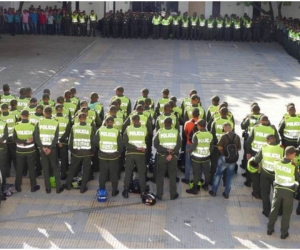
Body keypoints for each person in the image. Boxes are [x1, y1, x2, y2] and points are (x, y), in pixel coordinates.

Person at [267, 146, 300, 239]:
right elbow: (298, 178)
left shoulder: (276, 162)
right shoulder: (293, 166)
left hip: (277, 190)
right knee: (286, 212)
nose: (295, 155)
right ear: (290, 154)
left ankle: (269, 229)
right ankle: (283, 233)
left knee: (274, 209)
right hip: (288, 192)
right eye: (294, 154)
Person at [246, 115, 280, 199]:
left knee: (255, 173)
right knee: (263, 174)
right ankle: (263, 192)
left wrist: (247, 152)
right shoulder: (272, 129)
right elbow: (278, 141)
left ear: (260, 121)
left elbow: (248, 141)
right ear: (268, 121)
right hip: (267, 153)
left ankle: (256, 192)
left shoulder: (255, 128)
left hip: (255, 153)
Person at [251, 134, 284, 217]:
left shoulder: (264, 148)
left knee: (265, 193)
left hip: (265, 173)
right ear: (275, 140)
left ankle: (266, 211)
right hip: (277, 175)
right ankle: (279, 211)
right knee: (278, 193)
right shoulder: (282, 148)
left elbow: (256, 159)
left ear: (267, 140)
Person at [34, 107, 64, 194]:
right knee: (55, 167)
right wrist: (50, 148)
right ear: (51, 112)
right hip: (52, 149)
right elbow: (56, 137)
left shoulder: (39, 122)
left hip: (42, 148)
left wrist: (43, 147)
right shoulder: (55, 122)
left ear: (43, 112)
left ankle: (48, 188)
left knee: (45, 168)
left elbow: (36, 137)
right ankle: (58, 188)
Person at [64, 112, 95, 193]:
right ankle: (83, 187)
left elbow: (70, 142)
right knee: (86, 170)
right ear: (86, 119)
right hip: (87, 153)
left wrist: (72, 151)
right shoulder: (90, 128)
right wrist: (92, 151)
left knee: (72, 169)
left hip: (76, 152)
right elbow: (93, 141)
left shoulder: (74, 127)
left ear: (78, 119)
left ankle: (68, 185)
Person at [209, 122, 241, 198]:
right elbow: (239, 148)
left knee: (218, 174)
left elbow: (219, 147)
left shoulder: (224, 136)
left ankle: (214, 191)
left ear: (225, 128)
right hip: (233, 159)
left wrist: (223, 151)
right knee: (229, 176)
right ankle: (226, 193)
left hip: (224, 158)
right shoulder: (237, 137)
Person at [94, 116, 123, 197]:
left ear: (105, 122)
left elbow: (95, 142)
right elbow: (120, 145)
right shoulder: (116, 131)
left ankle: (102, 189)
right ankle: (114, 191)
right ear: (113, 123)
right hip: (113, 156)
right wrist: (119, 153)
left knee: (103, 173)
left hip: (102, 155)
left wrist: (100, 148)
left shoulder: (100, 130)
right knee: (114, 173)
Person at [154, 117, 181, 200]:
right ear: (172, 124)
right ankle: (173, 194)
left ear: (163, 123)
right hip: (173, 157)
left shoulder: (160, 132)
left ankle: (159, 194)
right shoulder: (176, 132)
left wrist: (166, 150)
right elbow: (179, 145)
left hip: (162, 156)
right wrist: (171, 153)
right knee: (172, 176)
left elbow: (156, 145)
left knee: (160, 176)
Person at [13, 110, 40, 192]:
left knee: (19, 168)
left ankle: (18, 186)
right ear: (28, 116)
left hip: (20, 151)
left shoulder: (16, 125)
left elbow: (14, 139)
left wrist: (23, 142)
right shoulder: (32, 125)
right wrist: (27, 142)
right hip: (30, 150)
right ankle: (33, 186)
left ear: (21, 116)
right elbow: (35, 139)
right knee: (31, 168)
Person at [122, 114, 148, 198]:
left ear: (132, 121)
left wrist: (135, 147)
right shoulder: (144, 129)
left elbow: (125, 143)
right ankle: (143, 192)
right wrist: (141, 148)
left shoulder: (128, 129)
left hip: (130, 153)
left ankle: (125, 190)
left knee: (128, 172)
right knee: (141, 173)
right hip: (140, 154)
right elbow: (146, 140)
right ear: (139, 120)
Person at [186, 119, 213, 194]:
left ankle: (195, 189)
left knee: (196, 173)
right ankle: (206, 186)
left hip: (196, 158)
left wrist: (189, 150)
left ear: (199, 126)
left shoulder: (197, 134)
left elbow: (194, 146)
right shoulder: (210, 134)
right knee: (206, 172)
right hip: (206, 157)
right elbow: (211, 147)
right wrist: (208, 153)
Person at [182, 108, 200, 184]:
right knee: (198, 161)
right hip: (198, 145)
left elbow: (185, 133)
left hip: (189, 144)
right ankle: (197, 178)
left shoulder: (187, 123)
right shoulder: (202, 122)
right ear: (199, 114)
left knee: (188, 161)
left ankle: (187, 178)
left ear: (192, 114)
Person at [53, 104, 71, 180]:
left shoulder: (52, 119)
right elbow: (67, 132)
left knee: (55, 159)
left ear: (56, 110)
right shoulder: (66, 119)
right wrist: (61, 140)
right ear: (62, 110)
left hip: (54, 142)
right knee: (64, 159)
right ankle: (63, 174)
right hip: (64, 142)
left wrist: (57, 141)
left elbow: (52, 131)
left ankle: (55, 174)